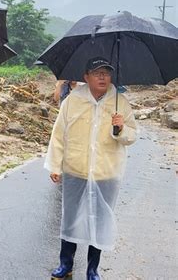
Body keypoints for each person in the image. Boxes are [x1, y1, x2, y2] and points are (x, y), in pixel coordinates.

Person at [45, 57, 136, 280]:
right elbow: (59, 135)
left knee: (100, 220)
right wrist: (55, 165)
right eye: (97, 73)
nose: (103, 77)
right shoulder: (73, 101)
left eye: (106, 72)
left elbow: (132, 136)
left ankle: (92, 269)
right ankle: (65, 264)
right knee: (71, 218)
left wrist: (121, 128)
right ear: (86, 77)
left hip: (106, 173)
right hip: (76, 170)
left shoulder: (120, 102)